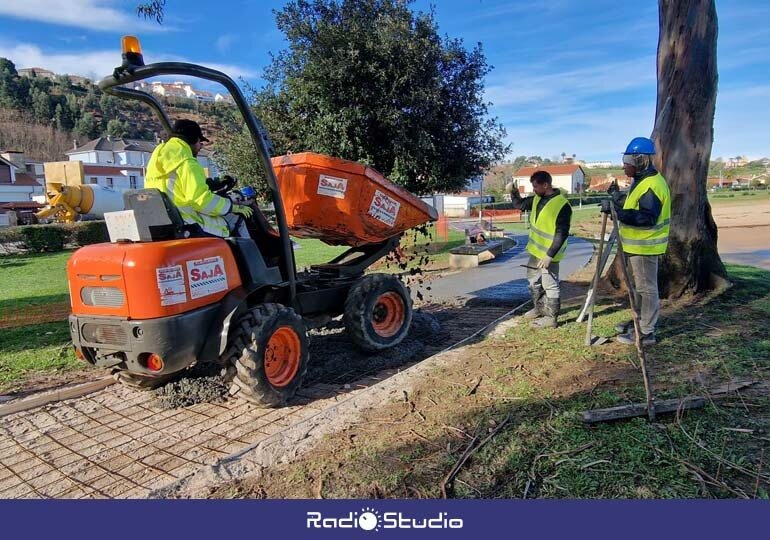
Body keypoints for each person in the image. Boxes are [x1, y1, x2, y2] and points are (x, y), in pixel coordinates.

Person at [601, 136, 671, 345]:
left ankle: (647, 332)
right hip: (635, 247)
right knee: (639, 288)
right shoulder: (641, 183)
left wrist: (616, 212)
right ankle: (639, 323)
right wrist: (616, 199)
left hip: (645, 247)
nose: (624, 167)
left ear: (640, 160)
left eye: (627, 162)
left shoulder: (651, 185)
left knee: (647, 289)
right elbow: (634, 206)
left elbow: (645, 218)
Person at [145, 119, 253, 237]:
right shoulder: (188, 162)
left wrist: (213, 184)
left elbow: (178, 187)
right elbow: (200, 200)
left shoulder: (157, 161)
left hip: (169, 222)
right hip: (189, 223)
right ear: (192, 139)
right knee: (237, 219)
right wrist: (231, 206)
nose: (200, 146)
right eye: (200, 142)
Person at [511, 171, 572, 328]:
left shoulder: (562, 206)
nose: (534, 189)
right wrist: (513, 191)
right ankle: (538, 308)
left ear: (546, 185)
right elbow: (519, 205)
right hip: (535, 252)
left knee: (550, 284)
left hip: (549, 255)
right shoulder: (537, 199)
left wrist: (549, 255)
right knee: (533, 281)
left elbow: (562, 233)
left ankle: (551, 318)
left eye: (536, 186)